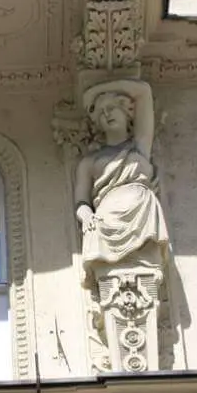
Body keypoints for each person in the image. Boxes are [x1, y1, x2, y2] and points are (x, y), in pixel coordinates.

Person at [73, 80, 168, 284]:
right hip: (106, 220)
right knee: (110, 279)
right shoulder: (89, 162)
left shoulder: (140, 146)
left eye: (112, 108)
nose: (106, 114)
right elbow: (81, 202)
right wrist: (88, 217)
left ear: (128, 111)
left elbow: (144, 91)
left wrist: (99, 88)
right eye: (101, 112)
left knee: (147, 275)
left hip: (142, 214)